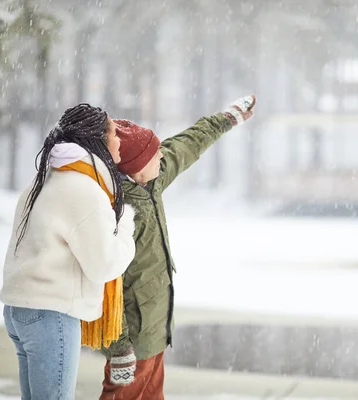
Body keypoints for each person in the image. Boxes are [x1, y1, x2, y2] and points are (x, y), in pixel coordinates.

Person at [98, 95, 256, 399]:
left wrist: (227, 118)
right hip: (133, 337)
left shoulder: (151, 181)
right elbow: (107, 282)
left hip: (155, 327)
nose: (161, 156)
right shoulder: (117, 209)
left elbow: (186, 144)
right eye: (154, 154)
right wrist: (119, 349)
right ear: (136, 166)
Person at [1, 103, 137, 400]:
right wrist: (125, 222)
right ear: (97, 140)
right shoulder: (84, 189)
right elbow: (105, 265)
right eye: (114, 134)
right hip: (51, 315)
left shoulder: (44, 179)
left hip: (20, 309)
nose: (119, 141)